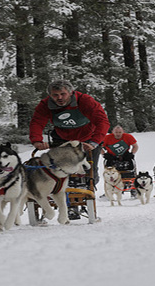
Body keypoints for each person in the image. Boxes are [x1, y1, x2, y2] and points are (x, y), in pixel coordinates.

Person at [29, 79, 110, 220]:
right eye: (55, 95)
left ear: (70, 93)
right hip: (62, 141)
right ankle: (69, 206)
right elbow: (37, 121)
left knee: (90, 173)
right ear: (50, 95)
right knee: (61, 172)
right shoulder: (45, 105)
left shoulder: (85, 101)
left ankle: (85, 195)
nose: (59, 98)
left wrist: (94, 142)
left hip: (88, 140)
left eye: (63, 94)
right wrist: (37, 140)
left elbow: (102, 121)